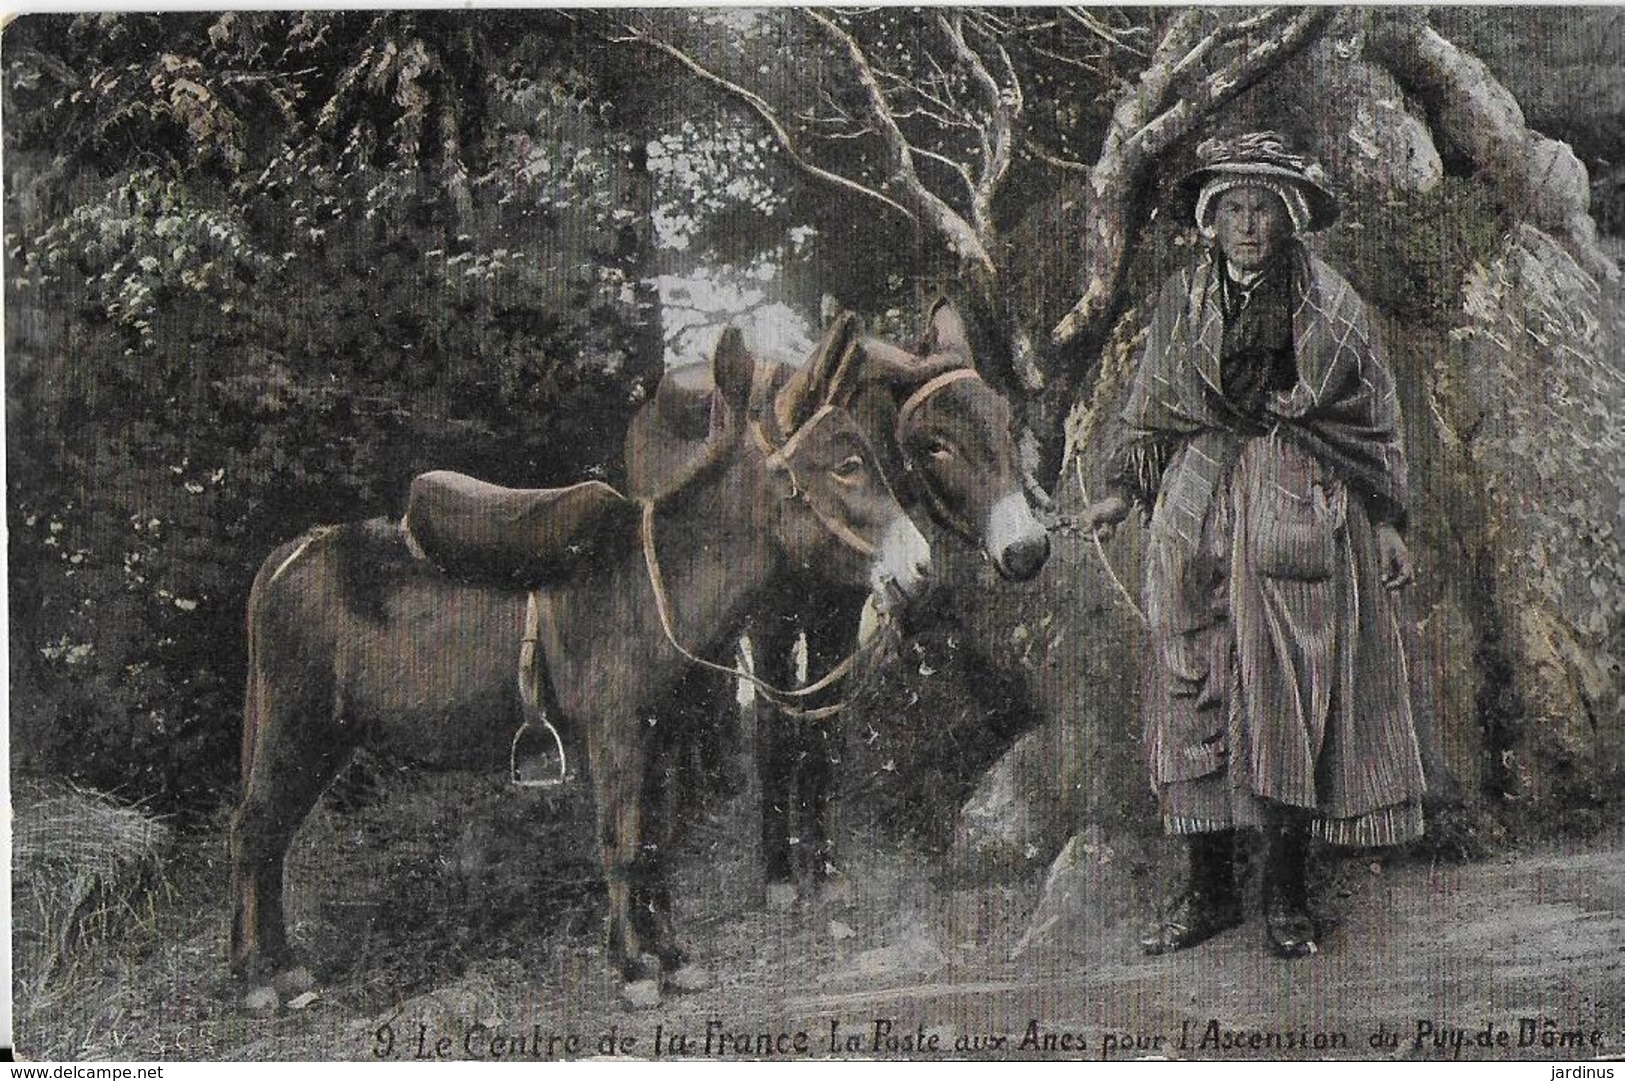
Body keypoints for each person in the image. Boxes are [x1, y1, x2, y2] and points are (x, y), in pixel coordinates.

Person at [1080, 132, 1426, 959]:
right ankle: (1206, 894)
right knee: (1190, 687)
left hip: (1294, 504)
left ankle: (1284, 898)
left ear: (1287, 218)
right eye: (1232, 208)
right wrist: (1123, 493)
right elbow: (1149, 411)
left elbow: (1367, 421)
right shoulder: (1180, 302)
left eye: (1262, 209)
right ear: (1210, 219)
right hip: (1196, 509)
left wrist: (1385, 525)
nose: (1247, 225)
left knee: (1289, 696)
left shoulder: (1331, 307)